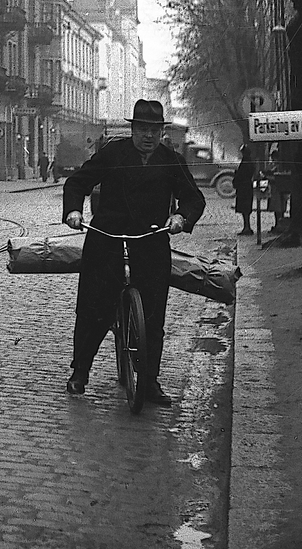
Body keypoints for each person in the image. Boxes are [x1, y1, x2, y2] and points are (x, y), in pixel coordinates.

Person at [62, 99, 206, 406]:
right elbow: (77, 182)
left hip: (151, 239)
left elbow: (194, 199)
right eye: (142, 129)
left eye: (154, 130)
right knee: (93, 307)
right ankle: (80, 372)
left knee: (153, 316)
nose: (148, 136)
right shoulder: (113, 153)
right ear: (133, 129)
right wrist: (74, 211)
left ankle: (150, 381)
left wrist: (181, 218)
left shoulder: (171, 160)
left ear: (161, 132)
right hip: (107, 237)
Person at [233, 145, 255, 236]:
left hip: (243, 187)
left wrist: (236, 177)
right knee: (246, 209)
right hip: (247, 186)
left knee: (244, 208)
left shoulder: (246, 162)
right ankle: (247, 227)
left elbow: (242, 174)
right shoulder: (250, 162)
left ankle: (247, 228)